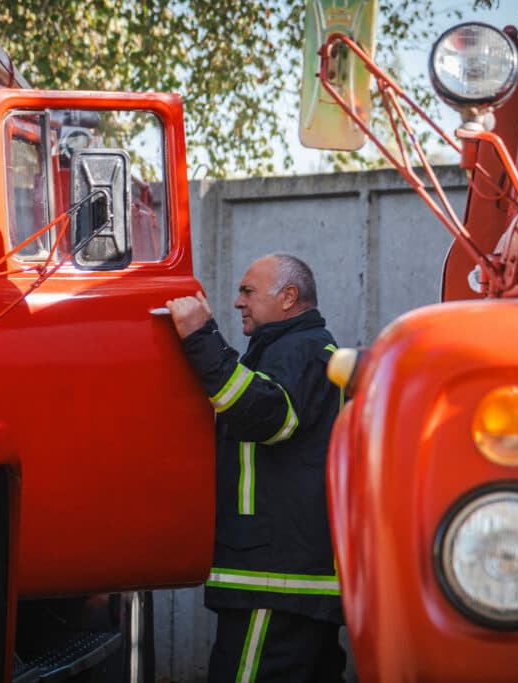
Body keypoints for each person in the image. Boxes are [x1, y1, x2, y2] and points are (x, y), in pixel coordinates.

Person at [166, 253, 346, 683]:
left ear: (288, 298)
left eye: (248, 291)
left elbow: (267, 417)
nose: (237, 302)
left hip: (275, 577)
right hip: (288, 574)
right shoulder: (290, 349)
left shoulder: (298, 349)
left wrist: (202, 338)